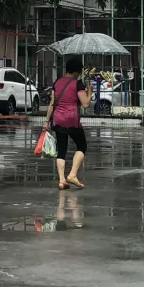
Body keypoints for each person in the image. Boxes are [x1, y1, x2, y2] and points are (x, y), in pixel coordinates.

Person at [46, 55, 92, 189]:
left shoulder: (57, 82)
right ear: (77, 70)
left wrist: (46, 121)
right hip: (72, 120)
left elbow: (52, 103)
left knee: (61, 150)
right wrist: (89, 92)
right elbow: (85, 104)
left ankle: (62, 181)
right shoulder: (78, 84)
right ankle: (72, 175)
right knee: (82, 146)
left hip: (58, 119)